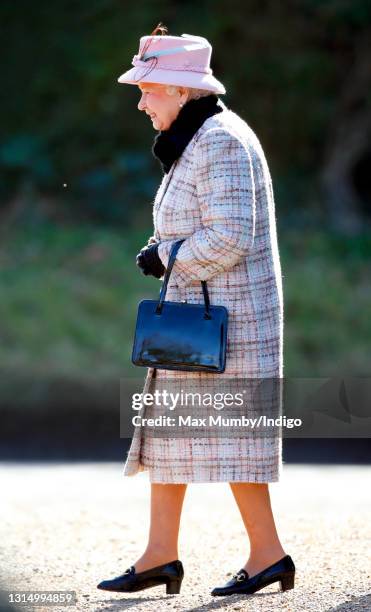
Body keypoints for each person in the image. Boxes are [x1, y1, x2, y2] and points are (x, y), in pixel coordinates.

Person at [97, 23, 296, 597]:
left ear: (183, 91)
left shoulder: (221, 139)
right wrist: (171, 255)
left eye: (148, 89)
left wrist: (166, 255)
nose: (139, 101)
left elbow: (232, 236)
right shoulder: (203, 135)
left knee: (234, 441)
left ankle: (268, 555)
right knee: (170, 434)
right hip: (204, 317)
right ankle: (161, 556)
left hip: (227, 321)